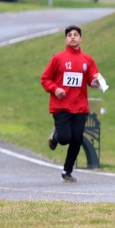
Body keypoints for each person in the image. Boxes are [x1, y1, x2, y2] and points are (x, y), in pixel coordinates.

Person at [41, 25, 103, 182]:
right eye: (69, 35)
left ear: (81, 39)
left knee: (77, 139)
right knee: (64, 138)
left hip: (80, 106)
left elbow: (91, 80)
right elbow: (45, 79)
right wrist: (55, 89)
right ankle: (55, 135)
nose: (73, 37)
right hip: (61, 105)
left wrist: (97, 82)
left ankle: (67, 171)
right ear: (66, 39)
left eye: (76, 35)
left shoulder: (87, 60)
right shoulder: (58, 58)